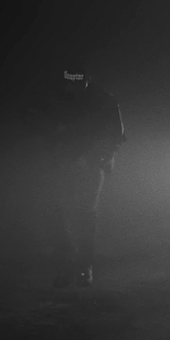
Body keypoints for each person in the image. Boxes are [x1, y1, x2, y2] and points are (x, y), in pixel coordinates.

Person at [29, 63, 125, 288]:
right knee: (59, 211)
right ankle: (69, 264)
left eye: (77, 82)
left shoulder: (104, 100)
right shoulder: (56, 98)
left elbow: (115, 135)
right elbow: (35, 123)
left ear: (87, 79)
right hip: (63, 162)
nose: (73, 87)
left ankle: (83, 265)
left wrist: (94, 158)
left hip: (90, 163)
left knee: (84, 212)